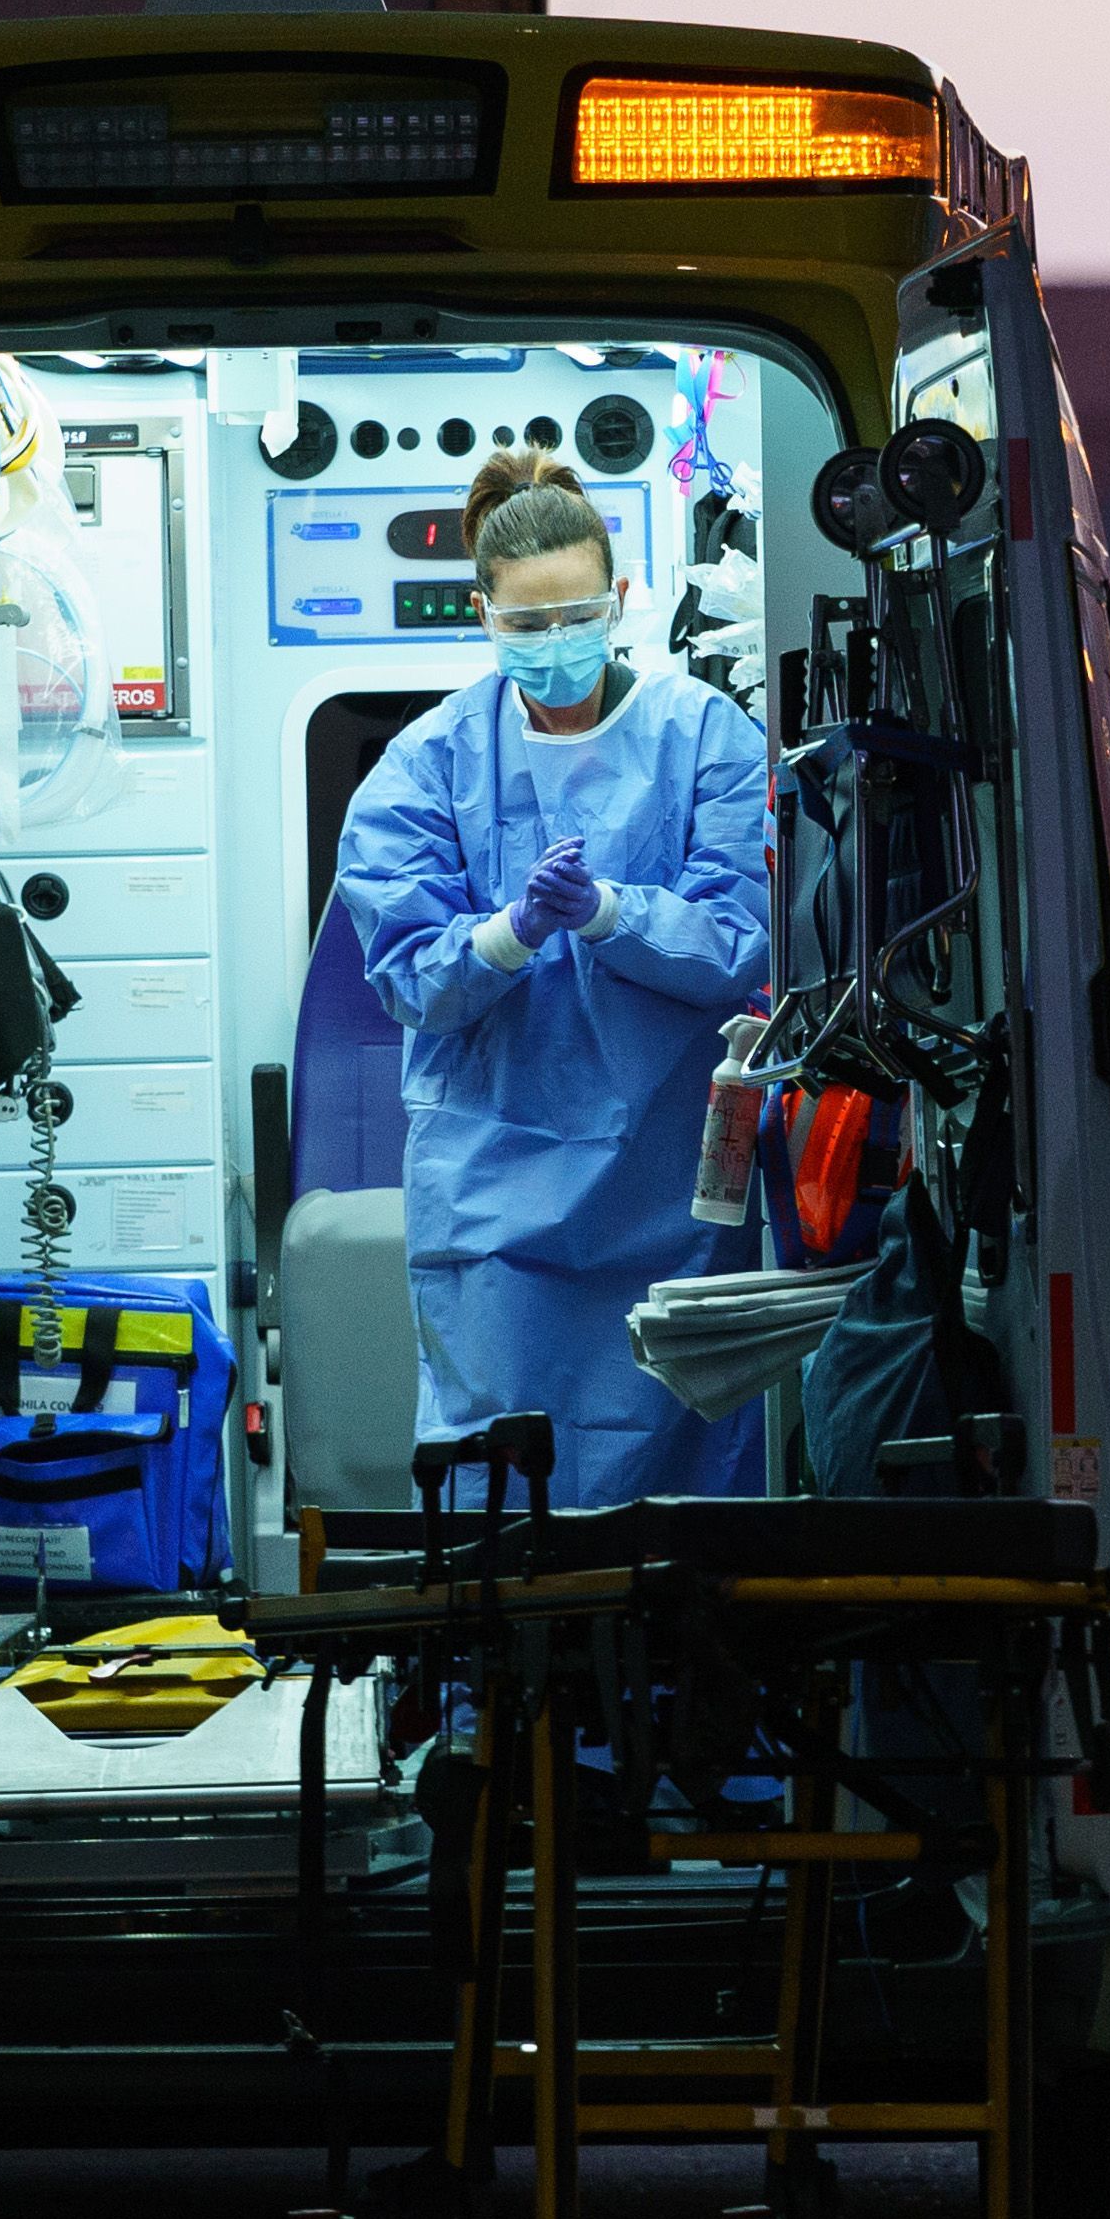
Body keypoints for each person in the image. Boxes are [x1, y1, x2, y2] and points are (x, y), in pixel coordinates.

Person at [333, 447, 773, 1504]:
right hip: (497, 1197)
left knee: (679, 1497)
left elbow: (743, 937)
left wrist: (614, 914)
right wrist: (511, 932)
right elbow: (407, 973)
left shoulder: (704, 736)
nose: (553, 644)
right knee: (507, 1489)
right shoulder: (429, 762)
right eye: (525, 626)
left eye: (575, 618)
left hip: (673, 1187)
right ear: (480, 614)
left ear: (618, 600)